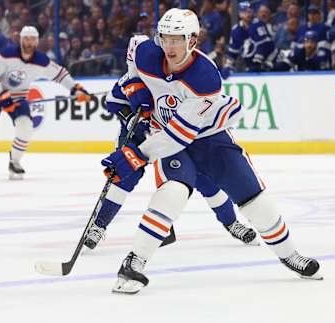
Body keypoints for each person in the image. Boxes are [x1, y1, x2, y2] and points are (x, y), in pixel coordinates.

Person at [100, 8, 322, 294]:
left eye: (177, 39)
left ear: (192, 39)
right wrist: (134, 85)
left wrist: (136, 154)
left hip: (207, 136)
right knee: (174, 191)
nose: (169, 46)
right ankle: (134, 262)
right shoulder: (147, 52)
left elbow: (179, 135)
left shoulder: (205, 76)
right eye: (165, 38)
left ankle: (289, 254)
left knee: (252, 195)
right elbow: (135, 48)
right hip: (167, 136)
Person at [83, 35, 258, 250]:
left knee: (203, 178)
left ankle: (231, 223)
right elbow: (112, 101)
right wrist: (132, 119)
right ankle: (98, 226)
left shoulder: (177, 76)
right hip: (138, 130)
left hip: (169, 132)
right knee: (126, 174)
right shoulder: (135, 75)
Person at [0, 26, 91, 179]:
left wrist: (76, 88)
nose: (29, 42)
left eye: (33, 39)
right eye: (26, 38)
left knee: (26, 127)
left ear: (36, 41)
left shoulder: (41, 60)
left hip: (17, 97)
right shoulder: (6, 54)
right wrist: (2, 96)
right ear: (21, 40)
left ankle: (14, 161)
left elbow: (60, 74)